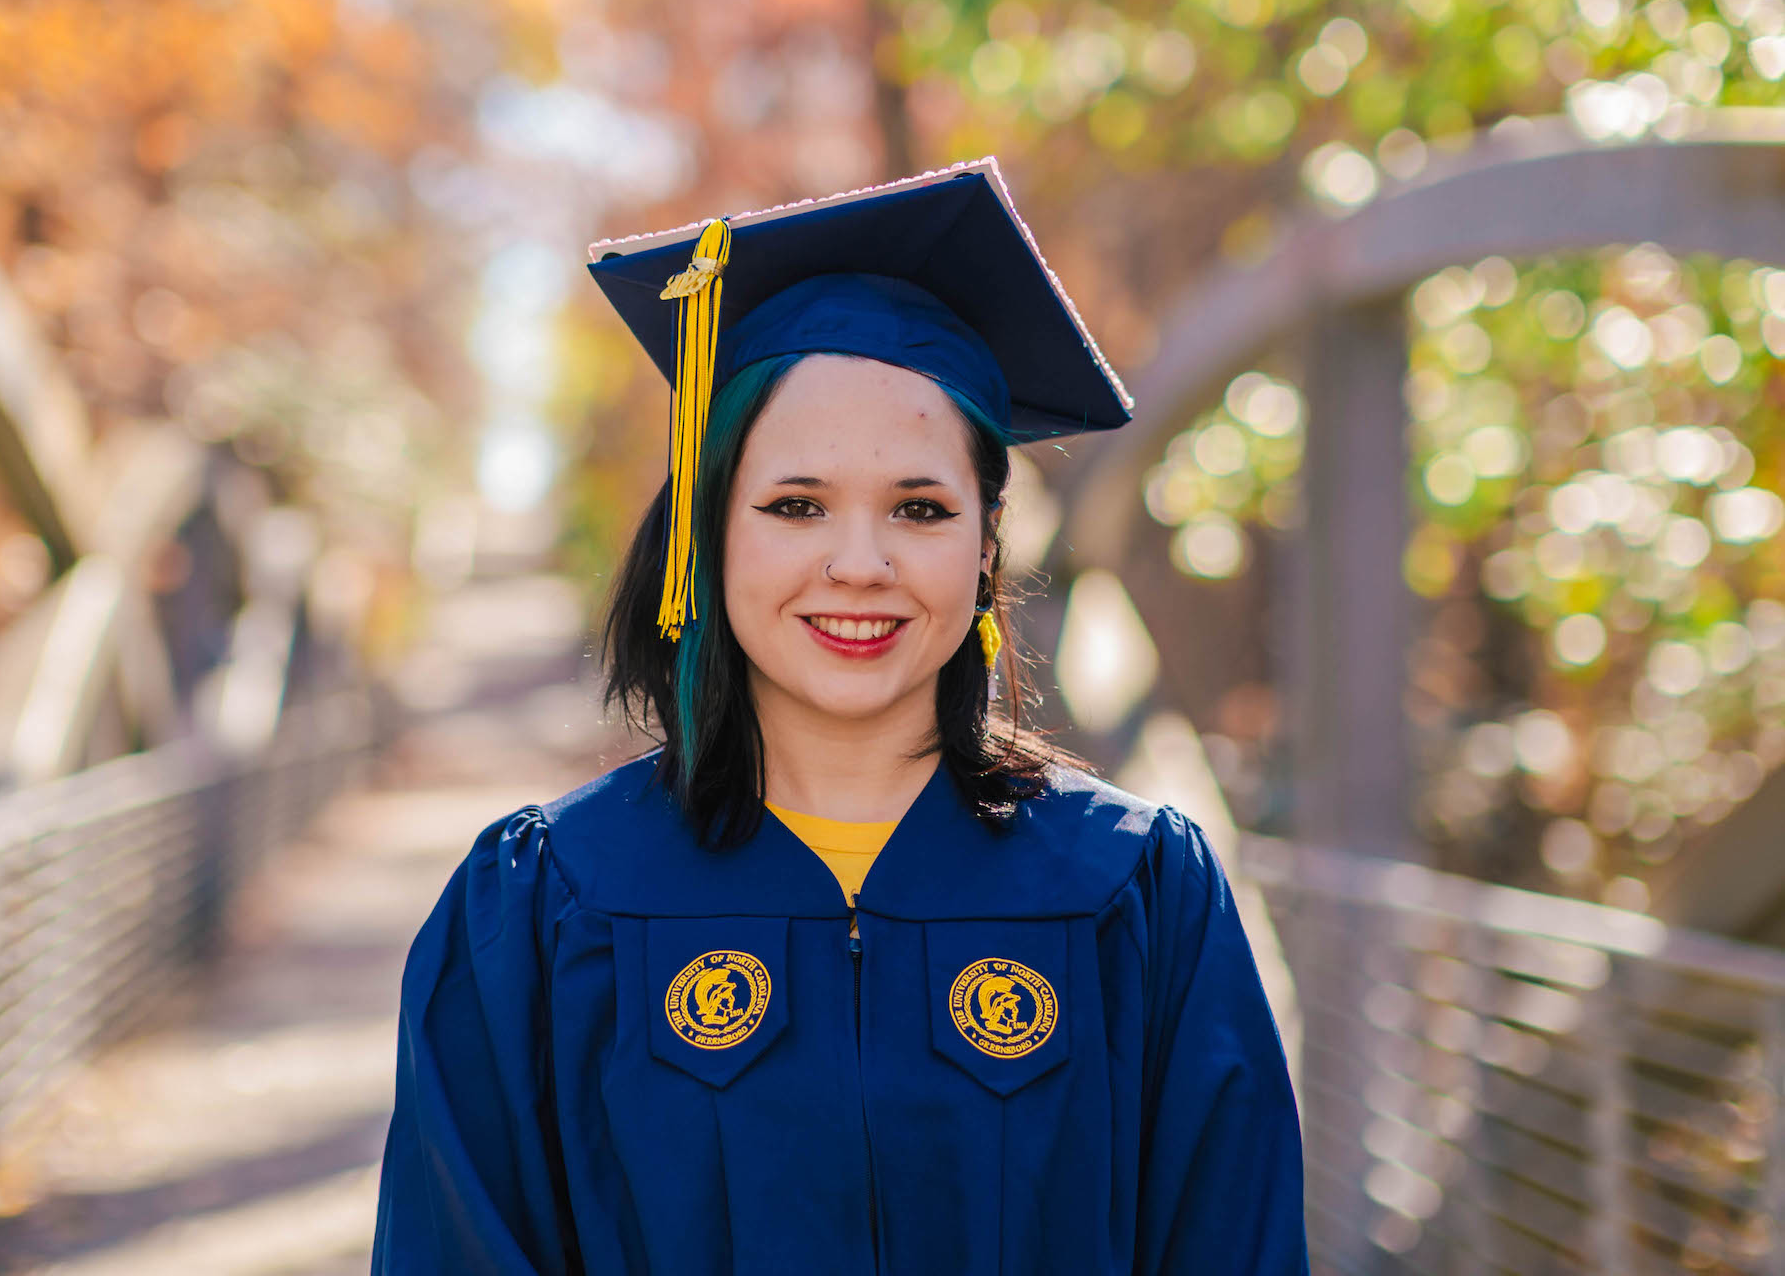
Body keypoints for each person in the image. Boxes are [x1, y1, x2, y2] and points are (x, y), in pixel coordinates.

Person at [370, 158, 1310, 1274]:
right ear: (708, 535)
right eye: (795, 505)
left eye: (919, 508)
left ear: (985, 546)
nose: (858, 564)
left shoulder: (1138, 896)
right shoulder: (540, 906)